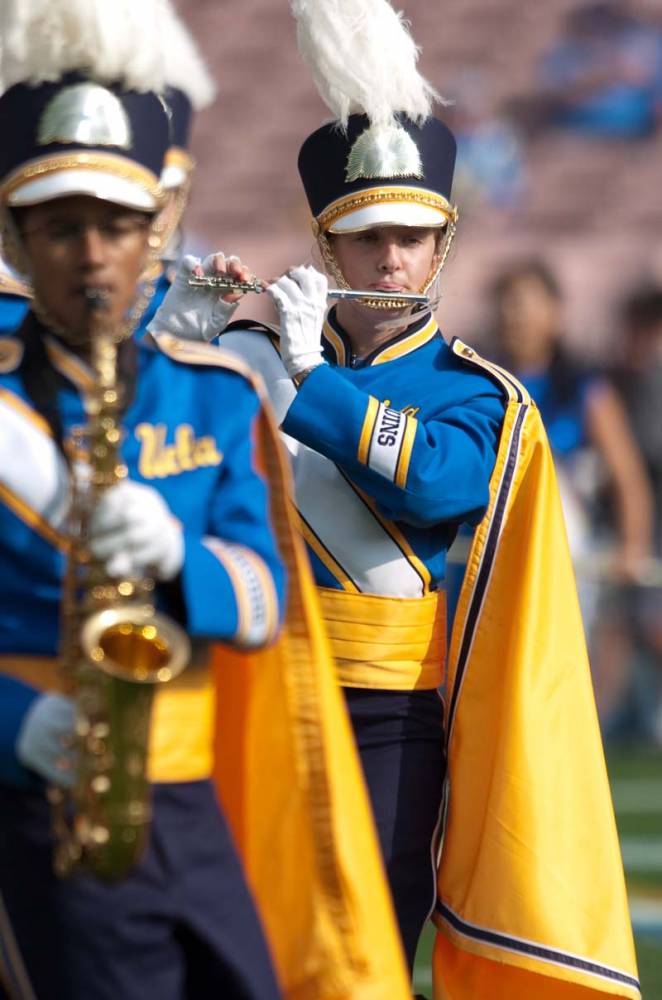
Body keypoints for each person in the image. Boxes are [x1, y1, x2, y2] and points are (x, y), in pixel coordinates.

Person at [150, 1, 641, 997]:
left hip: (387, 717)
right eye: (366, 236)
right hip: (251, 690)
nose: (390, 258)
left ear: (441, 246)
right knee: (229, 951)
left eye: (412, 238)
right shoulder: (244, 361)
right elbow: (167, 477)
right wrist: (183, 352)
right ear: (327, 245)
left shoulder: (478, 391)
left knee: (359, 956)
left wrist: (304, 379)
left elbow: (436, 483)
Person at [0, 3, 413, 1000]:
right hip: (42, 792)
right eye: (62, 228)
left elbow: (268, 599)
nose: (93, 254)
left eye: (116, 225)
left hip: (202, 792)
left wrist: (183, 564)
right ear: (17, 237)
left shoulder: (213, 392)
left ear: (157, 230)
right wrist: (16, 720)